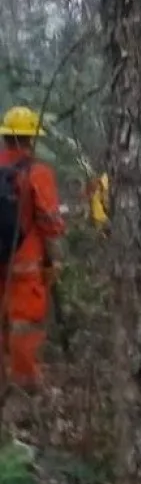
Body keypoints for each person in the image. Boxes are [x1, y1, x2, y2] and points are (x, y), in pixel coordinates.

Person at [0, 106, 65, 390]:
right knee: (24, 328)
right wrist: (55, 259)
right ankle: (26, 391)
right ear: (30, 139)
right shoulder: (38, 173)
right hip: (25, 268)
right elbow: (51, 224)